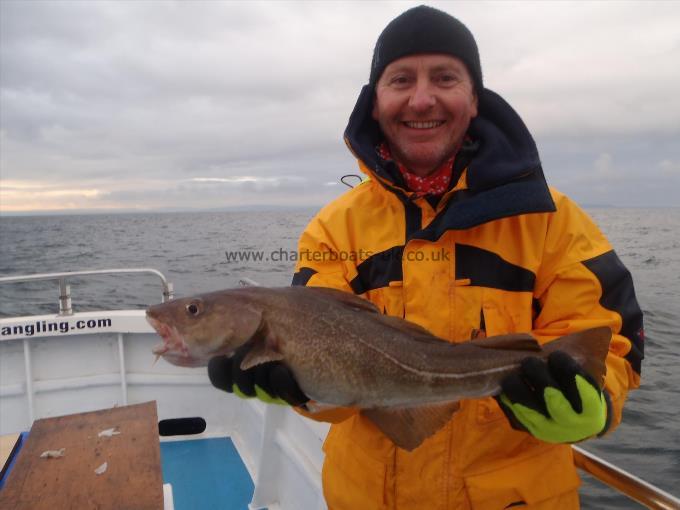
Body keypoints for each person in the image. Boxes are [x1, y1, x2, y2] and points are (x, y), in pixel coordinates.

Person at [208, 5, 643, 509]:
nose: (421, 98)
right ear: (375, 103)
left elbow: (613, 345)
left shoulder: (553, 222)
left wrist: (594, 402)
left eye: (444, 77)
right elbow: (333, 385)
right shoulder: (333, 229)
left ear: (474, 99)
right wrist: (300, 388)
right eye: (400, 79)